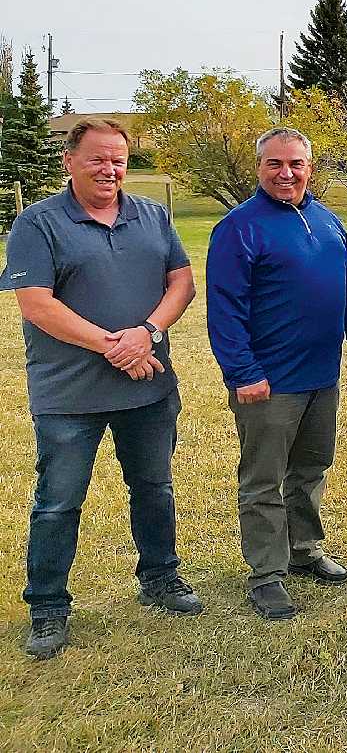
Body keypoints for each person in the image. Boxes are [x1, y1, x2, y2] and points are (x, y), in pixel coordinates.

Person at [1, 118, 201, 661]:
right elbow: (36, 303)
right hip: (69, 395)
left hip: (148, 389)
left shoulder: (152, 215)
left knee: (154, 487)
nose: (110, 169)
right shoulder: (37, 223)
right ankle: (47, 606)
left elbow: (180, 279)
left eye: (118, 159)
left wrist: (149, 334)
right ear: (69, 160)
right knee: (58, 503)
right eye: (97, 158)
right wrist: (115, 346)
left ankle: (160, 578)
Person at [206, 127, 347, 620]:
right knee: (264, 479)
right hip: (268, 381)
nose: (286, 173)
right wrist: (243, 372)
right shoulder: (240, 227)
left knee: (310, 469)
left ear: (309, 167)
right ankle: (266, 573)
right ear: (259, 168)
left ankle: (303, 548)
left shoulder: (327, 221)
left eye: (295, 164)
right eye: (274, 164)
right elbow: (226, 309)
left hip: (321, 376)